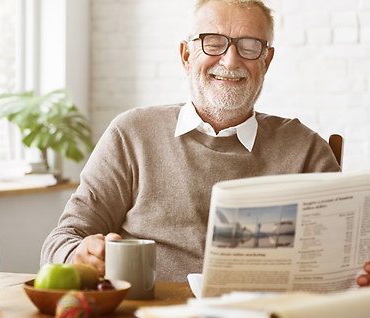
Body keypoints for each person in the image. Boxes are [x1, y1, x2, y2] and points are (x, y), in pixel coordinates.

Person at [40, 0, 352, 284]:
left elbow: (344, 261)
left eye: (249, 46)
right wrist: (78, 254)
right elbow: (63, 239)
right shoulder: (131, 133)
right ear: (186, 55)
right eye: (213, 43)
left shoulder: (306, 150)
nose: (230, 61)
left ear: (266, 61)